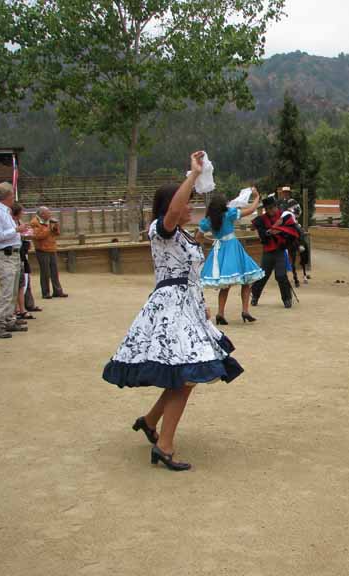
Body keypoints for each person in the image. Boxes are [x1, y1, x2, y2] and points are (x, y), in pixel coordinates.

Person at [103, 152, 244, 471]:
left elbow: (191, 275)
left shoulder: (182, 235)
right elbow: (172, 214)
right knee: (186, 377)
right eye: (185, 202)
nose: (191, 206)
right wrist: (193, 176)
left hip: (186, 309)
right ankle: (163, 446)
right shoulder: (161, 229)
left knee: (184, 376)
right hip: (170, 312)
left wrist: (201, 305)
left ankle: (151, 422)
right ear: (173, 207)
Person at [196, 190, 264, 325]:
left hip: (220, 249)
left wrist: (212, 241)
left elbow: (198, 237)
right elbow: (250, 210)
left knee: (225, 285)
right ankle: (245, 311)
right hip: (233, 248)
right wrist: (257, 197)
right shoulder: (229, 215)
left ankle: (220, 313)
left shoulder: (208, 221)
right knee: (247, 279)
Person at [0, 182, 31, 339]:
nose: (14, 198)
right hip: (4, 255)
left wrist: (19, 233)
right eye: (12, 195)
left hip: (12, 254)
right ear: (7, 197)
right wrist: (16, 230)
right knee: (6, 291)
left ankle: (9, 319)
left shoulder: (5, 211)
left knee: (12, 290)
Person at [250, 195, 299, 308]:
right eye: (267, 209)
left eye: (272, 208)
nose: (270, 210)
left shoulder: (284, 216)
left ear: (276, 207)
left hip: (280, 251)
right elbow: (253, 227)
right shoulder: (262, 219)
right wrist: (265, 231)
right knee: (263, 276)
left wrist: (280, 232)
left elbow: (292, 228)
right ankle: (255, 296)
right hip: (268, 251)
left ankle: (287, 299)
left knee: (281, 275)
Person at [30, 206, 68, 299]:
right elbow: (37, 236)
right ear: (42, 214)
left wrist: (55, 228)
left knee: (54, 271)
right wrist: (49, 229)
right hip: (42, 249)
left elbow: (57, 233)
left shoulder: (50, 221)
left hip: (51, 248)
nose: (50, 214)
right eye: (48, 213)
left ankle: (58, 291)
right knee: (45, 272)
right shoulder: (34, 223)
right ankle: (45, 292)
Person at [11, 203, 41, 320]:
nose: (23, 213)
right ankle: (17, 309)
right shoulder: (13, 224)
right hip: (17, 254)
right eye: (21, 212)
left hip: (23, 254)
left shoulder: (19, 222)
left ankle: (23, 308)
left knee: (24, 282)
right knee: (18, 284)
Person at [277, 186, 305, 287]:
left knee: (299, 229)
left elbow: (299, 212)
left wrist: (291, 213)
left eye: (287, 192)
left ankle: (300, 244)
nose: (285, 194)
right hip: (282, 223)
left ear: (289, 193)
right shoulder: (280, 202)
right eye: (284, 192)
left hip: (292, 221)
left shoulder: (293, 202)